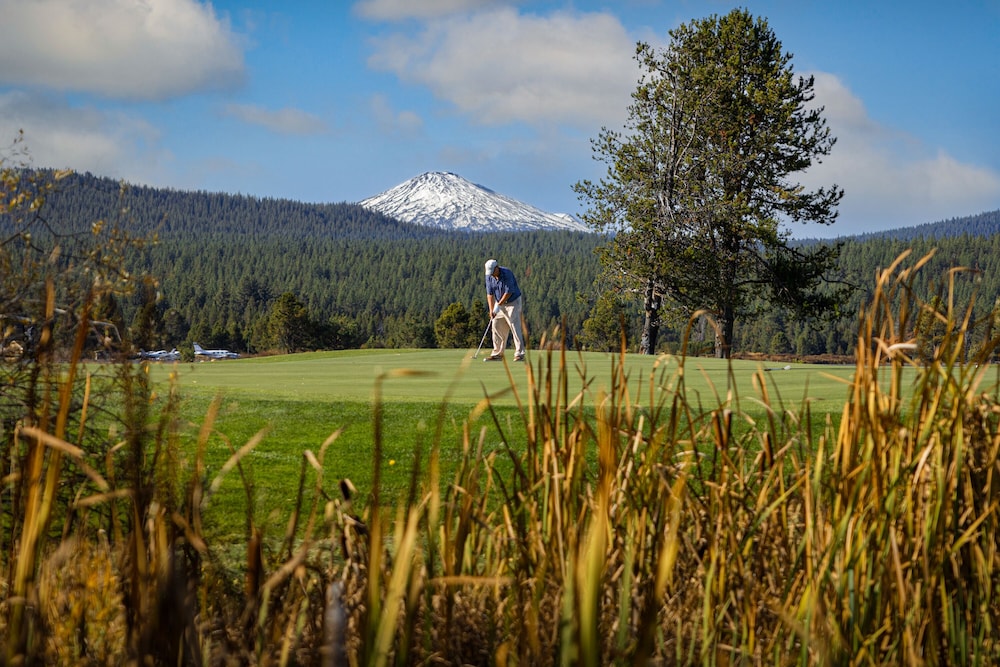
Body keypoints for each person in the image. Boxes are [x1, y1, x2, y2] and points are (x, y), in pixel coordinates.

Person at [483, 258, 525, 362]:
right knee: (496, 325)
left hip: (513, 301)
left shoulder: (507, 273)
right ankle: (498, 353)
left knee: (514, 326)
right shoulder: (489, 277)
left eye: (493, 272)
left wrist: (498, 305)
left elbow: (508, 292)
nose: (492, 274)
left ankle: (519, 354)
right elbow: (490, 294)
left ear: (497, 268)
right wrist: (491, 310)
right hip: (499, 302)